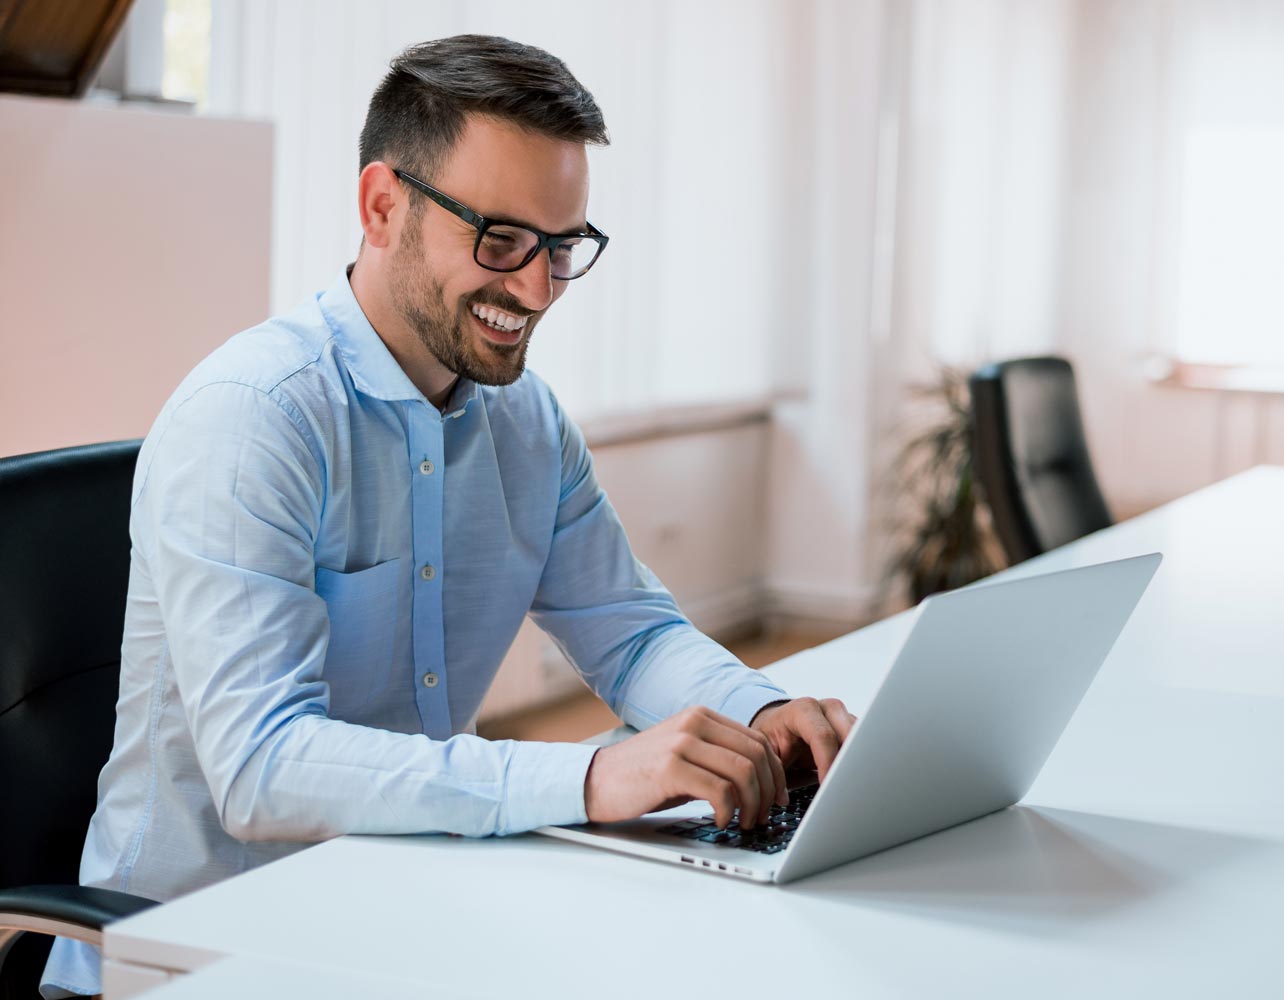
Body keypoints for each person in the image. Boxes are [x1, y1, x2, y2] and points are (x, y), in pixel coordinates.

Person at [41, 34, 854, 999]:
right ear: (383, 206)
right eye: (502, 240)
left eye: (563, 247)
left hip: (408, 909)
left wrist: (760, 715)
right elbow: (261, 766)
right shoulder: (255, 418)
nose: (538, 288)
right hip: (195, 955)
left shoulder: (526, 419)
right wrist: (590, 780)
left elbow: (629, 635)